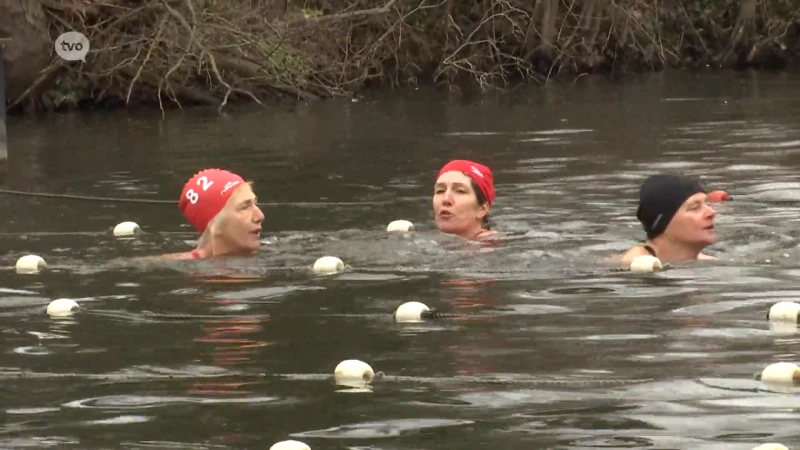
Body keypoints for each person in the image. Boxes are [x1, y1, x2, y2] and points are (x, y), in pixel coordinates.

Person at [618, 173, 721, 265]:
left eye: (708, 204)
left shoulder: (710, 262)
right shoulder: (634, 264)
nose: (712, 212)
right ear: (664, 222)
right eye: (694, 208)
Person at [163, 168, 264, 260]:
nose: (260, 216)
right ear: (213, 223)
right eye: (244, 207)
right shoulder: (180, 265)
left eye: (255, 204)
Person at [433, 159, 497, 240]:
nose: (446, 199)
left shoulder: (491, 246)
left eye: (460, 191)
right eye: (440, 191)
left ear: (482, 209)